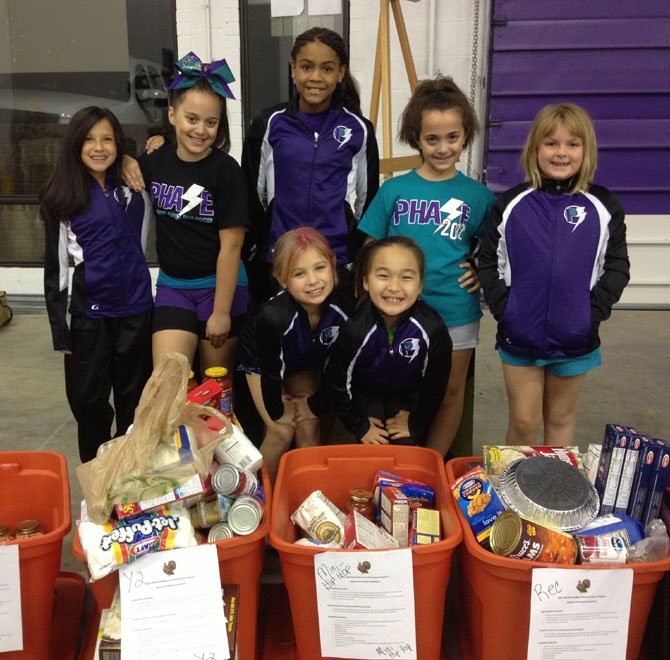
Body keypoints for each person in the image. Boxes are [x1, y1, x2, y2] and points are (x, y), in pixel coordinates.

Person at [357, 76, 495, 457]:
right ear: (416, 137)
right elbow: (370, 245)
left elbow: (498, 250)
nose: (443, 147)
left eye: (452, 137)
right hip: (397, 311)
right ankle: (398, 456)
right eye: (432, 139)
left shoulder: (478, 196)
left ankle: (431, 461)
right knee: (402, 384)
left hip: (454, 307)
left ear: (465, 135)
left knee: (451, 391)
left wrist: (482, 271)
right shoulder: (394, 191)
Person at [478, 103, 630, 447]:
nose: (561, 152)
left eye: (572, 144)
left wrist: (590, 315)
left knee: (560, 420)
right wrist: (507, 309)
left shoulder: (603, 206)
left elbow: (617, 267)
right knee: (523, 422)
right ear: (535, 148)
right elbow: (488, 261)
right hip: (520, 337)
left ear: (586, 150)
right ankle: (512, 496)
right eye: (551, 143)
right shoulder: (512, 204)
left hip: (575, 339)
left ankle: (555, 499)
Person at [124, 52, 249, 374]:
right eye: (191, 119)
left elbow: (231, 246)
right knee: (167, 384)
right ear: (172, 115)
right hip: (173, 287)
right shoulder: (154, 162)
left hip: (220, 288)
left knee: (214, 394)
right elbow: (112, 166)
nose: (201, 130)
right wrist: (126, 160)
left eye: (211, 122)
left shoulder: (226, 171)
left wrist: (221, 312)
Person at [41, 106, 153, 462]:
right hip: (90, 314)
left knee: (134, 400)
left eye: (107, 139)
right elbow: (57, 266)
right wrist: (61, 327)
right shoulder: (63, 197)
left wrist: (136, 155)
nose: (99, 147)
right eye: (89, 139)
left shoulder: (135, 185)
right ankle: (98, 474)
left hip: (136, 309)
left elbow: (169, 151)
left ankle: (130, 476)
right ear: (75, 144)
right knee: (87, 401)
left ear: (119, 143)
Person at [241, 27, 380, 302]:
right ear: (293, 69)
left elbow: (369, 201)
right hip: (280, 260)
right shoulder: (269, 123)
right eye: (306, 67)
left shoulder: (358, 129)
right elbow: (252, 194)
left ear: (340, 73)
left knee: (333, 340)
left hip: (334, 260)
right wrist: (265, 245)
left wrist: (350, 250)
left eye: (327, 69)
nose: (316, 77)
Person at [237, 227, 354, 481]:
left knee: (309, 426)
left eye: (320, 268)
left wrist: (313, 405)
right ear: (282, 279)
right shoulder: (273, 316)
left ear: (333, 265)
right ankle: (260, 496)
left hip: (303, 360)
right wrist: (280, 411)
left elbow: (340, 369)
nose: (313, 281)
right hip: (263, 365)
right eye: (299, 273)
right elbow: (270, 373)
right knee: (281, 430)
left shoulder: (344, 307)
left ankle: (309, 498)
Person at [320, 237, 452, 446]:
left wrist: (416, 424)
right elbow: (336, 382)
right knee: (374, 445)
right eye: (383, 276)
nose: (394, 287)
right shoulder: (354, 330)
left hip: (408, 398)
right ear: (365, 281)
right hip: (365, 395)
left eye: (406, 277)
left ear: (420, 285)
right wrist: (358, 425)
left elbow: (435, 386)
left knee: (406, 445)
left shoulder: (433, 329)